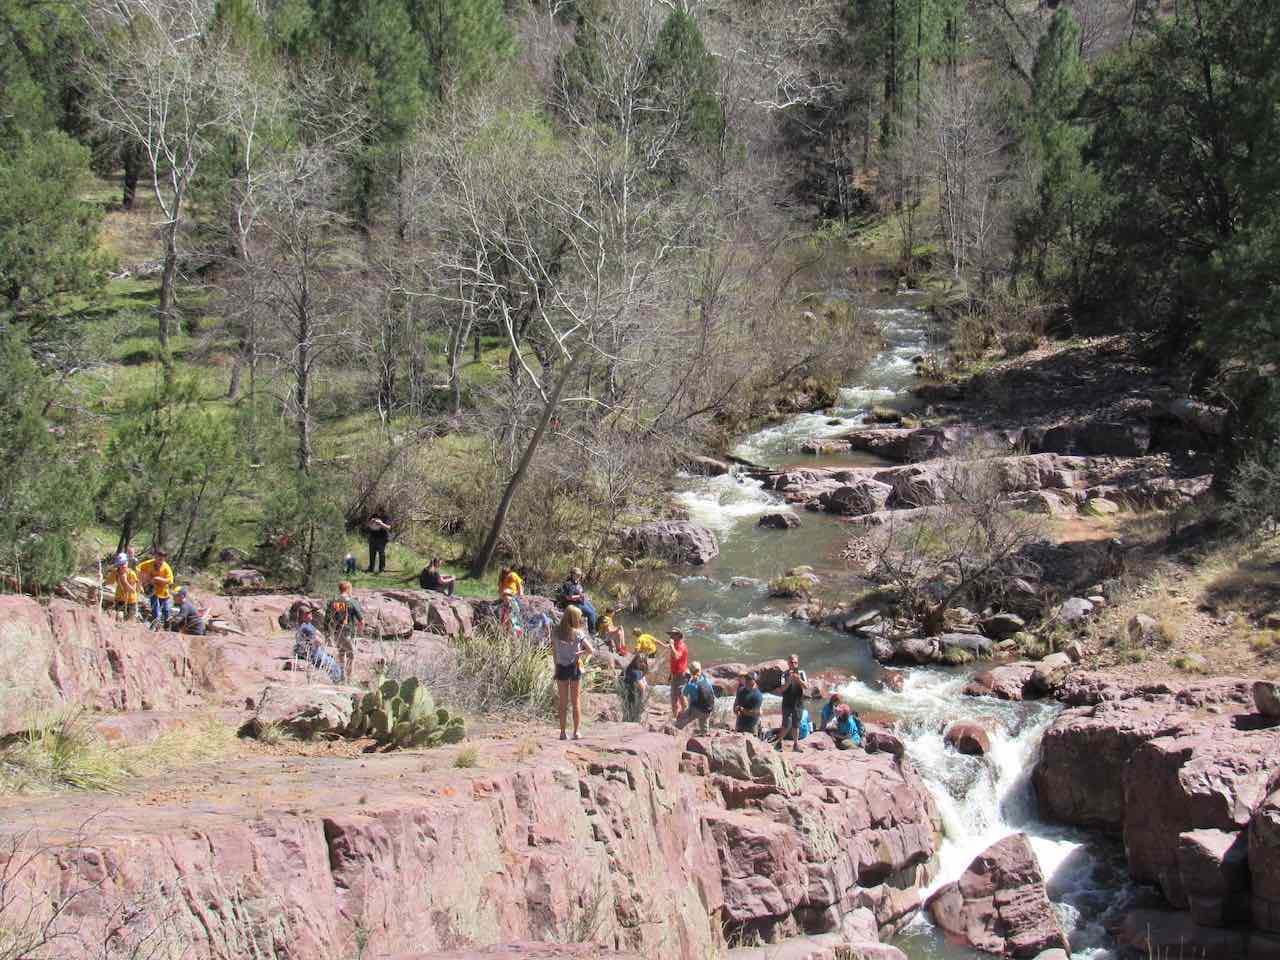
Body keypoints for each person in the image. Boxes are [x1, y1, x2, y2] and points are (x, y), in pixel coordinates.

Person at [552, 605, 594, 741]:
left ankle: (562, 733)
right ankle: (576, 732)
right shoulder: (578, 633)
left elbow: (554, 652)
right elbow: (591, 650)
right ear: (574, 618)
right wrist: (579, 653)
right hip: (574, 667)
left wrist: (555, 667)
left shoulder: (556, 631)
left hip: (560, 668)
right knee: (575, 702)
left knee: (563, 703)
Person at [325, 580, 364, 678]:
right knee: (352, 655)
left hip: (337, 633)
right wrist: (360, 631)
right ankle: (349, 678)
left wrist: (328, 634)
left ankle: (342, 676)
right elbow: (361, 620)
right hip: (348, 633)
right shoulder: (352, 602)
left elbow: (327, 620)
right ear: (348, 589)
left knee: (341, 653)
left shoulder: (333, 602)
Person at [293, 608, 344, 683]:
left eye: (310, 613)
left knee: (332, 659)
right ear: (303, 616)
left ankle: (336, 679)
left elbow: (318, 634)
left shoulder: (307, 624)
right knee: (333, 665)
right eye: (308, 613)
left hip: (313, 651)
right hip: (313, 653)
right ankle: (338, 682)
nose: (311, 615)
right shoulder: (305, 627)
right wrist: (322, 641)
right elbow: (317, 641)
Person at [773, 654, 808, 753]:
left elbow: (806, 686)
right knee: (785, 724)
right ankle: (779, 742)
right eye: (791, 662)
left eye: (795, 662)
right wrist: (789, 681)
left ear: (798, 663)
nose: (793, 664)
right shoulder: (784, 674)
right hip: (787, 702)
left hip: (798, 703)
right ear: (788, 663)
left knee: (796, 725)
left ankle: (795, 745)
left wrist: (798, 680)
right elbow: (781, 689)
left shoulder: (801, 673)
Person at [676, 662, 716, 733]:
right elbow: (712, 693)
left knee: (684, 718)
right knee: (704, 721)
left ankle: (676, 729)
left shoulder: (691, 685)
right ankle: (705, 733)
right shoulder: (706, 680)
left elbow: (684, 695)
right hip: (709, 708)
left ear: (691, 672)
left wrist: (686, 684)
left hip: (698, 710)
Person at [137, 549, 175, 625]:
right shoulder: (149, 563)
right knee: (155, 610)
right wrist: (144, 579)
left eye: (161, 559)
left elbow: (170, 581)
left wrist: (158, 579)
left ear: (164, 559)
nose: (158, 561)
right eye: (157, 558)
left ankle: (167, 626)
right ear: (155, 557)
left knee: (166, 610)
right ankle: (156, 625)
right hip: (153, 591)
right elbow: (138, 568)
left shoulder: (166, 568)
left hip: (163, 592)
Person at [556, 567, 597, 633]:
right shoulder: (569, 584)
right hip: (572, 603)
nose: (579, 576)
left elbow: (581, 592)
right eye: (577, 574)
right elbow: (568, 597)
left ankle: (595, 629)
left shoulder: (578, 583)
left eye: (580, 575)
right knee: (591, 614)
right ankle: (592, 632)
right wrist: (580, 596)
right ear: (572, 574)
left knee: (594, 610)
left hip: (580, 601)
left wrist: (586, 596)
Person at [106, 553, 141, 622]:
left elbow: (133, 590)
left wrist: (125, 581)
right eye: (121, 564)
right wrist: (100, 581)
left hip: (131, 601)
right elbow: (109, 582)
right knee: (119, 617)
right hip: (119, 599)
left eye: (124, 563)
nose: (123, 566)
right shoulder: (115, 572)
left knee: (130, 621)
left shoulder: (131, 574)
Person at [664, 628, 690, 719]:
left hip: (681, 675)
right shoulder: (675, 645)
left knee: (682, 697)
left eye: (673, 634)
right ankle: (676, 718)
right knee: (674, 698)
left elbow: (677, 657)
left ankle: (686, 717)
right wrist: (671, 674)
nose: (671, 636)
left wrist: (671, 646)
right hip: (675, 675)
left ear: (679, 635)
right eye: (670, 634)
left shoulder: (681, 646)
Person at [733, 671, 764, 736]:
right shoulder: (740, 690)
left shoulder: (757, 695)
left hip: (751, 725)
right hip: (740, 723)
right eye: (746, 678)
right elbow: (736, 703)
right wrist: (735, 709)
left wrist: (741, 709)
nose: (747, 680)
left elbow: (755, 713)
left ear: (754, 680)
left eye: (749, 679)